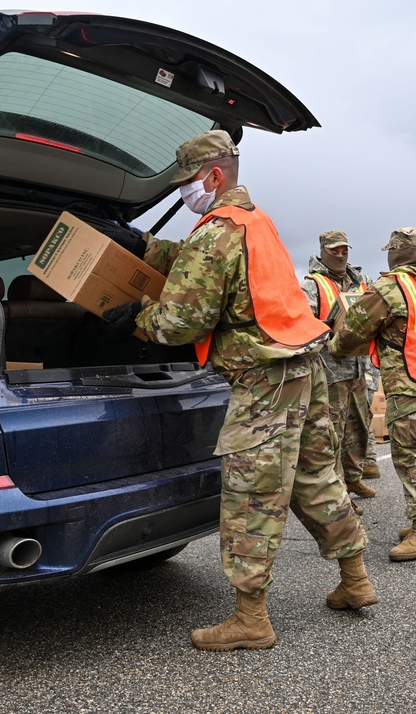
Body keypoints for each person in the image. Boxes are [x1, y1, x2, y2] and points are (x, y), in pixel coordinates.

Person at [103, 130, 376, 651]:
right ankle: (355, 581)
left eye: (186, 183)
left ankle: (251, 619)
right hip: (303, 366)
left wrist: (138, 317)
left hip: (264, 377)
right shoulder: (254, 222)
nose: (184, 194)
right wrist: (143, 246)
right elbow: (200, 259)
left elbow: (184, 320)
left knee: (252, 491)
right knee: (317, 475)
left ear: (211, 176)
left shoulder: (215, 233)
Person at [329, 228, 416, 561]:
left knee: (410, 455)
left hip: (408, 379)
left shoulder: (389, 288)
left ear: (396, 252)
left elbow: (353, 330)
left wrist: (334, 346)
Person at [301, 231, 377, 500]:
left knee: (359, 427)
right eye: (334, 250)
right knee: (333, 432)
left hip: (359, 367)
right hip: (330, 371)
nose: (341, 254)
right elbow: (303, 323)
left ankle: (354, 478)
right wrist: (330, 329)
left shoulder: (362, 281)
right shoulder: (312, 284)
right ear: (323, 250)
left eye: (344, 249)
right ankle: (339, 491)